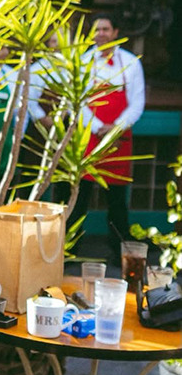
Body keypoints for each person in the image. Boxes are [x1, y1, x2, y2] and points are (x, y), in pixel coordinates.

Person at [67, 13, 145, 254]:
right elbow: (75, 102)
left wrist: (116, 127)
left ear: (115, 32)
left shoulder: (131, 62)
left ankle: (118, 253)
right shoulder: (82, 61)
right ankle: (71, 251)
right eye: (97, 29)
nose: (101, 33)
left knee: (118, 201)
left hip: (118, 141)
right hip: (89, 137)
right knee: (79, 199)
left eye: (106, 29)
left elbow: (137, 102)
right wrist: (96, 126)